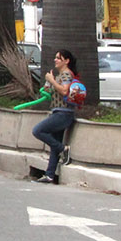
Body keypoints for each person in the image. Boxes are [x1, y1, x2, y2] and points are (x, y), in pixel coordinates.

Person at [33, 49, 85, 184]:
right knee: (54, 145)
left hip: (64, 113)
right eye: (55, 58)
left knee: (38, 130)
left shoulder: (66, 74)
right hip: (58, 111)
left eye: (58, 58)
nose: (55, 60)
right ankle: (49, 174)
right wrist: (48, 84)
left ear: (66, 61)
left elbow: (64, 90)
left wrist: (52, 80)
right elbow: (53, 91)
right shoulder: (59, 75)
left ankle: (64, 149)